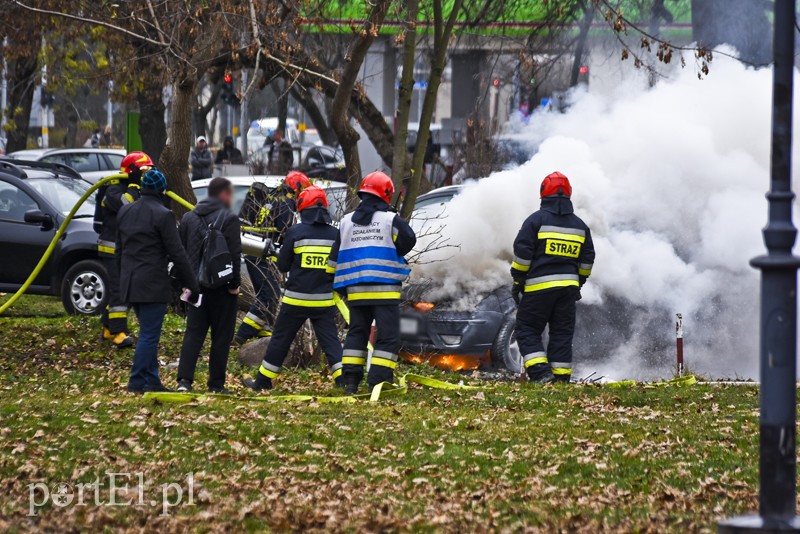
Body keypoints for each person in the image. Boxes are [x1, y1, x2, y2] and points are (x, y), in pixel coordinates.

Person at [243, 186, 343, 391]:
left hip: (295, 301)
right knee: (331, 343)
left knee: (280, 340)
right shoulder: (335, 234)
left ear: (303, 208)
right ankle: (344, 381)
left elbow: (282, 266)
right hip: (323, 301)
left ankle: (262, 382)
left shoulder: (296, 232)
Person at [329, 171, 416, 394]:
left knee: (357, 333)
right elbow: (409, 239)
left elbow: (333, 258)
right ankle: (378, 382)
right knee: (387, 337)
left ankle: (351, 383)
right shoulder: (389, 220)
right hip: (385, 291)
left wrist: (331, 282)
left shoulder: (346, 222)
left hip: (356, 291)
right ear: (386, 195)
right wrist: (396, 249)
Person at [117, 168, 200, 393]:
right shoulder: (163, 214)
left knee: (147, 332)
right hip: (151, 284)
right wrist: (192, 284)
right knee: (148, 335)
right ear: (162, 190)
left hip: (130, 283)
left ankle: (152, 381)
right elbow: (177, 253)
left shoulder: (125, 211)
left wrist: (120, 279)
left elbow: (119, 250)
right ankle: (136, 382)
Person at [510, 171, 595, 384]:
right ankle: (561, 379)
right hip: (567, 290)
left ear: (543, 193)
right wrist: (579, 282)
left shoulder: (535, 221)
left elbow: (522, 254)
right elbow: (587, 260)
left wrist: (518, 281)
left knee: (527, 329)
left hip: (539, 288)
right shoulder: (580, 226)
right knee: (561, 334)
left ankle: (541, 375)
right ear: (568, 195)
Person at [175, 177, 242, 393]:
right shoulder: (230, 218)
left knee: (193, 334)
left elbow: (183, 252)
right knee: (221, 338)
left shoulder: (188, 217)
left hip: (196, 288)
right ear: (222, 194)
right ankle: (216, 384)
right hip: (222, 288)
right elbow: (234, 255)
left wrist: (186, 283)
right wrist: (234, 284)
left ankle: (184, 381)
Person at [234, 171, 311, 344]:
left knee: (270, 293)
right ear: (297, 189)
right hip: (262, 253)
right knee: (269, 295)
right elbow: (287, 232)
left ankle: (263, 329)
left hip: (256, 250)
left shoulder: (274, 197)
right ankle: (242, 335)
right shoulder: (286, 202)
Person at [93, 151, 153, 348]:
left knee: (124, 290)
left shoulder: (134, 188)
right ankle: (118, 332)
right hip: (111, 248)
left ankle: (109, 327)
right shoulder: (114, 189)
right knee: (119, 290)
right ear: (132, 171)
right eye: (143, 170)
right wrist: (135, 186)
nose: (146, 174)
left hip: (125, 249)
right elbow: (125, 205)